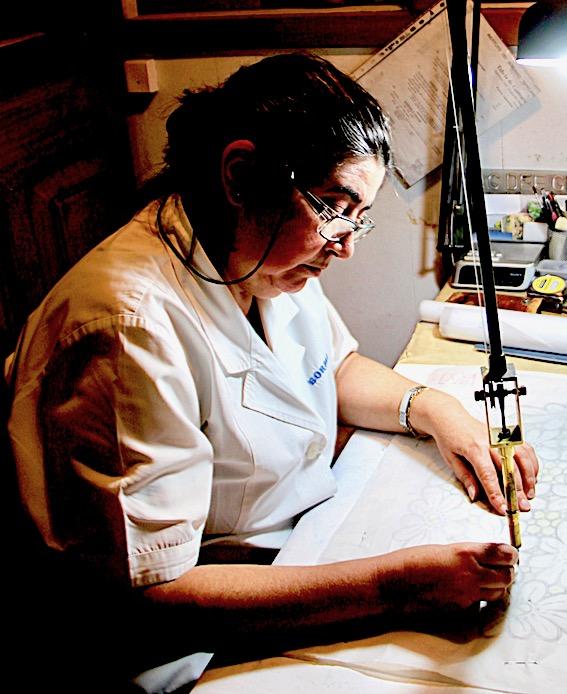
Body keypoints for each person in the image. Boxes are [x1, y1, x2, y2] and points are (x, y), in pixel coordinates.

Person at [5, 53, 538, 692]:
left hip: (300, 543)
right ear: (241, 175)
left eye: (359, 217)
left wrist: (437, 411)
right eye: (334, 207)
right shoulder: (128, 327)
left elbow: (330, 368)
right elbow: (151, 594)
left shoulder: (261, 258)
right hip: (185, 642)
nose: (345, 245)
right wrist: (391, 588)